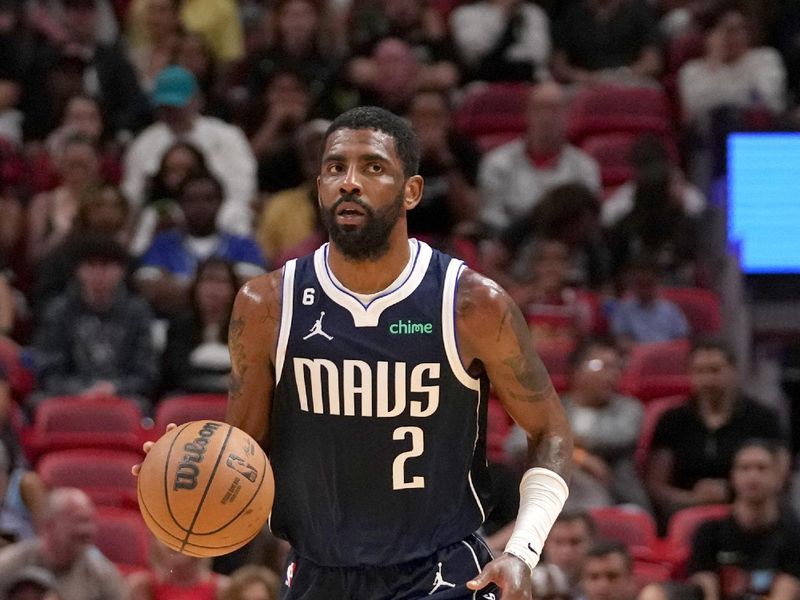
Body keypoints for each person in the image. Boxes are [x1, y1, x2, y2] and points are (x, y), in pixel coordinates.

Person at [141, 106, 573, 598]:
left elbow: (550, 430)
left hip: (443, 575)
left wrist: (522, 550)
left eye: (372, 167)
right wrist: (187, 468)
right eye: (334, 167)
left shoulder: (471, 304)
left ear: (411, 191)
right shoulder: (266, 305)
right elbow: (246, 446)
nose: (349, 182)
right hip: (317, 574)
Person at [646, 340, 784, 526]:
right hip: (683, 511)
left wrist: (733, 492)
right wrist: (693, 499)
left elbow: (779, 475)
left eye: (715, 370)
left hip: (748, 513)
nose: (708, 380)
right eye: (700, 371)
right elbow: (656, 485)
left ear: (734, 370)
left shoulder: (763, 419)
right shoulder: (672, 420)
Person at [31, 234, 158, 411]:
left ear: (121, 270)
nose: (98, 274)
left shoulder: (138, 311)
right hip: (67, 397)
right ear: (77, 270)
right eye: (91, 266)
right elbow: (48, 370)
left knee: (143, 407)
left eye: (105, 266)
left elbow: (146, 373)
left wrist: (114, 388)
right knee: (39, 405)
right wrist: (81, 390)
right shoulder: (58, 311)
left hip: (123, 397)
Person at [478, 82, 601, 234]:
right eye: (540, 108)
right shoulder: (497, 163)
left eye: (554, 109)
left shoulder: (585, 167)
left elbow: (587, 222)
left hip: (566, 250)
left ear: (568, 114)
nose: (547, 117)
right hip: (511, 247)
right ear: (527, 113)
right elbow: (492, 217)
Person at [136, 172, 267, 314]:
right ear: (180, 203)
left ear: (221, 202)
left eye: (208, 199)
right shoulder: (162, 244)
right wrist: (220, 287)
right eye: (192, 199)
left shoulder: (243, 245)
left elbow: (254, 289)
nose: (201, 206)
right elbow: (149, 288)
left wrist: (179, 285)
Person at [688, 438, 800, 600]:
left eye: (762, 468)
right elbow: (706, 590)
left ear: (778, 477)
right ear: (732, 476)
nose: (753, 475)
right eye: (744, 468)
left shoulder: (794, 535)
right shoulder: (708, 533)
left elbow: (786, 591)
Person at [0, 488, 128, 600]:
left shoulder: (103, 576)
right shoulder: (8, 565)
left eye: (90, 521)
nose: (87, 530)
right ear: (49, 525)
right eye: (78, 521)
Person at [161, 257, 238, 395]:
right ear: (195, 286)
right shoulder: (179, 325)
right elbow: (176, 374)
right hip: (188, 396)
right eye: (207, 281)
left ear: (234, 289)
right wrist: (219, 383)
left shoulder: (248, 328)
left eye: (221, 282)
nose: (213, 289)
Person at [128, 537, 229, 599]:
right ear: (155, 541)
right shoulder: (140, 586)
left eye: (183, 537)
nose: (175, 544)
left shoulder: (223, 589)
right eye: (167, 536)